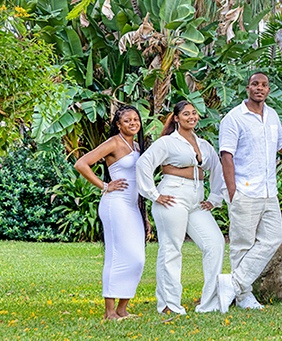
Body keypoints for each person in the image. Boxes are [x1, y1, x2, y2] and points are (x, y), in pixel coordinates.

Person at [218, 72, 282, 312]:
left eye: (264, 85)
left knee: (274, 238)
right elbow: (226, 156)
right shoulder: (234, 118)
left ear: (267, 90)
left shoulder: (273, 115)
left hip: (268, 190)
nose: (260, 88)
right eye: (255, 84)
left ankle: (233, 284)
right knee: (242, 244)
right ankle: (244, 296)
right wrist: (233, 192)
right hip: (244, 191)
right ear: (248, 88)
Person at [135, 101, 226, 315]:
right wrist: (154, 194)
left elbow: (217, 168)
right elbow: (144, 164)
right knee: (171, 248)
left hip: (197, 199)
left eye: (194, 113)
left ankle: (209, 303)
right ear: (176, 118)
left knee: (215, 243)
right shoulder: (168, 142)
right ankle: (169, 304)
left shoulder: (203, 144)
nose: (191, 117)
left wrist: (214, 198)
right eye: (186, 114)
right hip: (173, 195)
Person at [74, 105, 147, 320]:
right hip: (115, 204)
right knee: (116, 256)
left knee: (138, 258)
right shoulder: (114, 142)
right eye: (127, 120)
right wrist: (105, 186)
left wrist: (144, 214)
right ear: (118, 124)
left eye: (136, 119)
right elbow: (81, 164)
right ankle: (109, 312)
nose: (133, 123)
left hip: (133, 206)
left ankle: (123, 309)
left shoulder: (136, 147)